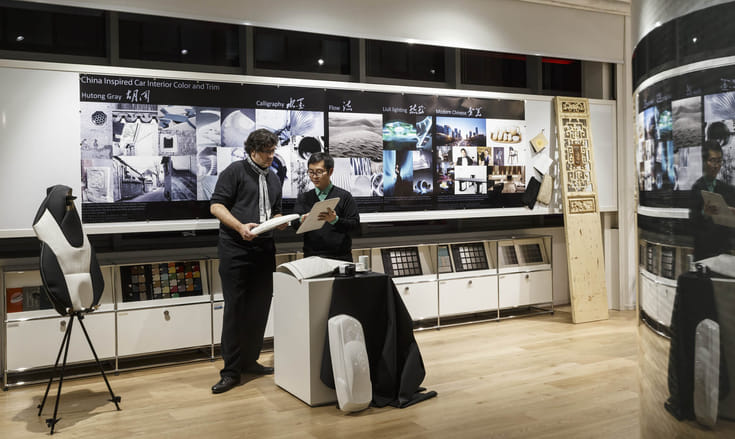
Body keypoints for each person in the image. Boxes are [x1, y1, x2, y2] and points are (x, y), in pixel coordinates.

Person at [209, 128, 287, 394]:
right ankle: (230, 371)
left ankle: (249, 361)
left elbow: (275, 210)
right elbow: (216, 206)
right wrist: (240, 226)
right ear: (252, 151)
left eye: (273, 151)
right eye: (266, 152)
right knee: (235, 309)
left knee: (259, 306)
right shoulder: (235, 171)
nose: (271, 156)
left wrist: (280, 221)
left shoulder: (274, 177)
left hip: (264, 249)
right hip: (236, 249)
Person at [294, 152, 360, 262]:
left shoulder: (344, 196)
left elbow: (355, 225)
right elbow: (294, 223)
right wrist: (302, 220)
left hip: (340, 257)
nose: (314, 176)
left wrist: (335, 220)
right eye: (311, 172)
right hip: (312, 258)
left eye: (319, 172)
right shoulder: (304, 197)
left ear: (330, 171)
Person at [689, 140, 735, 261]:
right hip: (703, 253)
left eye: (719, 161)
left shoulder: (728, 189)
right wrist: (704, 214)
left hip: (723, 253)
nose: (716, 166)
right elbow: (692, 224)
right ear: (704, 162)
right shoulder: (697, 188)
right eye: (712, 160)